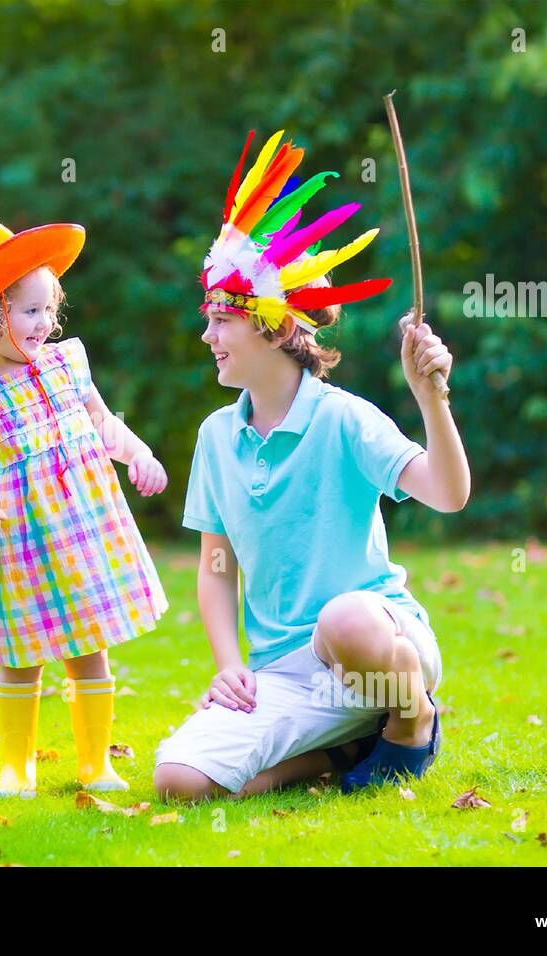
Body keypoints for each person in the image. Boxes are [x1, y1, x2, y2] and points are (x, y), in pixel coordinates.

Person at [153, 131, 470, 800]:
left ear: (269, 327)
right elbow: (216, 570)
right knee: (179, 780)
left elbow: (447, 493)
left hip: (379, 649)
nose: (207, 337)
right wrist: (231, 665)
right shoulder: (216, 438)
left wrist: (430, 399)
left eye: (219, 321)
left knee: (343, 619)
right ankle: (344, 753)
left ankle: (412, 722)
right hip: (287, 675)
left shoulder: (345, 420)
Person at [0, 220, 169, 798]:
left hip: (84, 530)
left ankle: (95, 762)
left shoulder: (65, 363)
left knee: (88, 647)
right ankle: (16, 767)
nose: (47, 323)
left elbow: (103, 424)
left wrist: (139, 454)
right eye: (31, 311)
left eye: (50, 310)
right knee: (20, 655)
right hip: (21, 545)